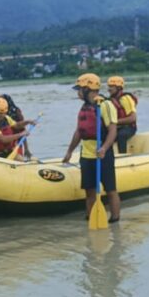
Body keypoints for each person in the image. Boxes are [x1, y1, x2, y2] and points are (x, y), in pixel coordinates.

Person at [62, 73, 121, 223]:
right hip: (87, 155)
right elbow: (79, 131)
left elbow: (113, 130)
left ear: (88, 89)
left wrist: (104, 148)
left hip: (103, 154)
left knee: (110, 189)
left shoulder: (105, 105)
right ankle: (90, 217)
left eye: (80, 89)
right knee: (89, 191)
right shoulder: (84, 107)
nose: (78, 93)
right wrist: (69, 151)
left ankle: (115, 220)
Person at [106, 76, 138, 154]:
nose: (109, 89)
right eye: (109, 86)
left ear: (119, 88)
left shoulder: (126, 99)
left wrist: (114, 122)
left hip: (129, 128)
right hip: (116, 127)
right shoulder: (110, 101)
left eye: (112, 87)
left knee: (121, 135)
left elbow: (132, 118)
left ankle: (123, 156)